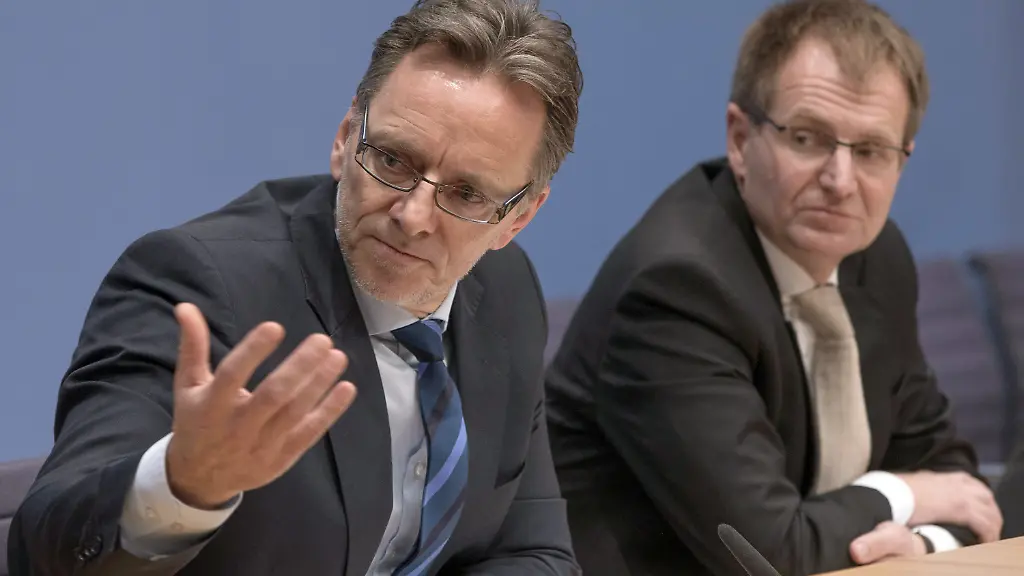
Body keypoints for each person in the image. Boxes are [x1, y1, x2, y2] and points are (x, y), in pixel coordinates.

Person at [8, 1, 584, 574]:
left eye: (466, 195)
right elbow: (44, 550)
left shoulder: (505, 292)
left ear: (518, 218)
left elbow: (533, 554)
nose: (412, 216)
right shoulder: (201, 285)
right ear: (344, 138)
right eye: (392, 160)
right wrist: (184, 486)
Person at [544, 1, 1002, 574]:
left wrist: (925, 542)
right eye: (808, 138)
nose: (840, 181)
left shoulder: (876, 257)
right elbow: (770, 551)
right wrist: (904, 495)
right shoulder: (676, 289)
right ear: (740, 139)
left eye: (870, 151)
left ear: (901, 162)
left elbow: (957, 481)